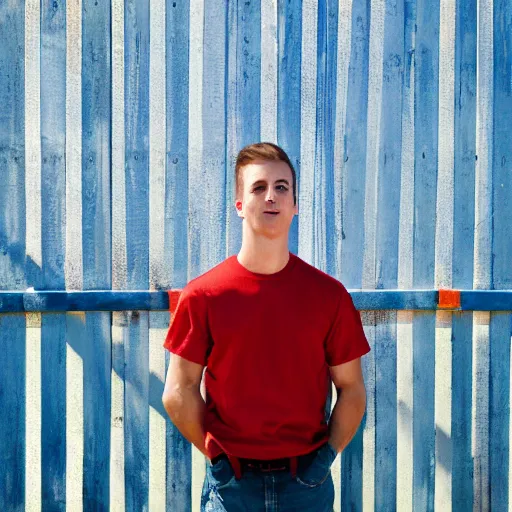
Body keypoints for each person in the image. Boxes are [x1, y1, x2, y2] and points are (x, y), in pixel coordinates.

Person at [162, 142, 370, 511]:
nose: (271, 196)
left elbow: (351, 389)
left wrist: (322, 463)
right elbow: (178, 392)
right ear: (240, 205)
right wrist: (217, 460)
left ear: (295, 206)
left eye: (282, 187)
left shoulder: (329, 296)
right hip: (232, 488)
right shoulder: (204, 296)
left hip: (306, 485)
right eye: (258, 187)